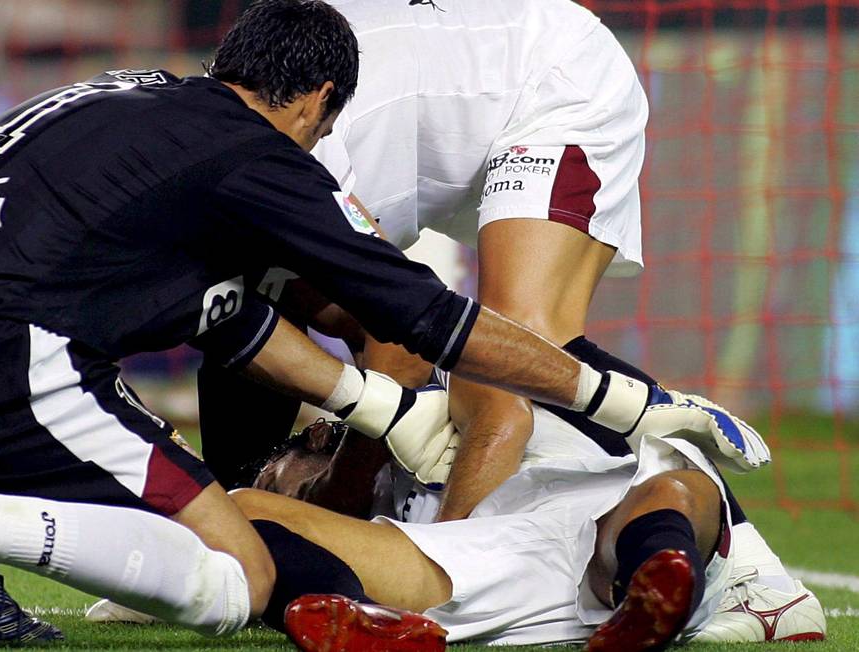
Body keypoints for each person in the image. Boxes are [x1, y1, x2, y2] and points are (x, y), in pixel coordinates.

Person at [0, 1, 752, 650]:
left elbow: (225, 316)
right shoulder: (269, 158)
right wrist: (623, 399)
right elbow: (419, 317)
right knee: (235, 567)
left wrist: (381, 417)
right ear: (316, 101)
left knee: (115, 402)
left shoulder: (143, 91)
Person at [184, 0, 818, 642]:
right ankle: (225, 563)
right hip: (440, 109)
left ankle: (756, 578)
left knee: (519, 337)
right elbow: (234, 322)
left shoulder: (284, 163)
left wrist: (399, 513)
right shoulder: (222, 156)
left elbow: (402, 345)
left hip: (545, 78)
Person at [231, 390, 824, 650]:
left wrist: (451, 524)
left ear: (311, 438)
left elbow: (503, 416)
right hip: (488, 561)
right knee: (238, 513)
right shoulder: (382, 512)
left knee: (673, 488)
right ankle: (355, 614)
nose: (293, 504)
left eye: (278, 476)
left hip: (591, 502)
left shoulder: (434, 383)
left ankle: (652, 576)